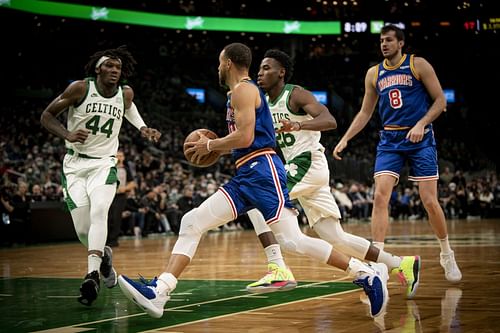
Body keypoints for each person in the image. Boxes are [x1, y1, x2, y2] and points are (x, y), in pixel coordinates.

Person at [118, 43, 389, 319]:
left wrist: (210, 147)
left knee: (293, 241)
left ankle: (364, 273)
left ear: (227, 64)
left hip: (263, 171)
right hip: (247, 173)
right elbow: (244, 141)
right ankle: (160, 292)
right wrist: (216, 146)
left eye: (219, 62)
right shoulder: (236, 94)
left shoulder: (244, 91)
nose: (217, 67)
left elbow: (246, 138)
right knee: (192, 221)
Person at [245, 49, 420, 299]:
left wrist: (299, 124)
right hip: (305, 170)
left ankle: (277, 267)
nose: (260, 73)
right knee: (336, 237)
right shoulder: (264, 102)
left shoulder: (295, 94)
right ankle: (401, 263)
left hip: (307, 162)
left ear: (281, 72)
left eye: (266, 68)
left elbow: (330, 120)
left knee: (254, 198)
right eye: (259, 69)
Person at [332, 25, 462, 282]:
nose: (384, 44)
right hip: (390, 139)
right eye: (381, 41)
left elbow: (440, 101)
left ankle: (446, 253)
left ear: (401, 43)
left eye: (389, 40)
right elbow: (365, 112)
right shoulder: (373, 73)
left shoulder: (418, 64)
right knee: (380, 196)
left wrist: (421, 124)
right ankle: (379, 259)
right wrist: (346, 138)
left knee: (429, 201)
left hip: (420, 138)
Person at [40, 46, 162, 306]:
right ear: (98, 69)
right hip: (74, 166)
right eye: (109, 66)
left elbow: (129, 107)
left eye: (118, 68)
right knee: (84, 230)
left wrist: (142, 127)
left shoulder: (125, 93)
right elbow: (47, 115)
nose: (114, 71)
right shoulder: (80, 89)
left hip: (104, 164)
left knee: (99, 213)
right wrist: (67, 134)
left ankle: (92, 274)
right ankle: (104, 261)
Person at [106, 150, 136, 247]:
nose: (119, 157)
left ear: (123, 157)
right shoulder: (109, 168)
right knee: (108, 217)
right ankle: (105, 240)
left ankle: (113, 240)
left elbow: (132, 183)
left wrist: (124, 189)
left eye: (121, 155)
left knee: (116, 217)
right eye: (117, 155)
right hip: (108, 195)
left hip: (120, 196)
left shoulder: (126, 169)